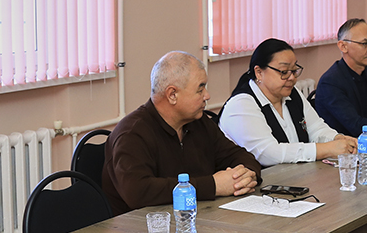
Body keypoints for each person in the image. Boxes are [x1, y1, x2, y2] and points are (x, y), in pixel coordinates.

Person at [101, 51, 260, 216]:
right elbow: (138, 192)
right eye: (200, 89)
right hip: (143, 226)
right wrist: (213, 186)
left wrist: (243, 177)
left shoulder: (198, 122)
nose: (207, 96)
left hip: (198, 217)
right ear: (172, 95)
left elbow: (240, 156)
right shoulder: (132, 134)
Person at [219, 38, 357, 167]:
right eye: (284, 72)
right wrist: (326, 149)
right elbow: (267, 153)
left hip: (293, 176)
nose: (291, 78)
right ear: (259, 72)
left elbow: (316, 128)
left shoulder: (292, 93)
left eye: (294, 71)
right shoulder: (241, 105)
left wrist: (337, 139)